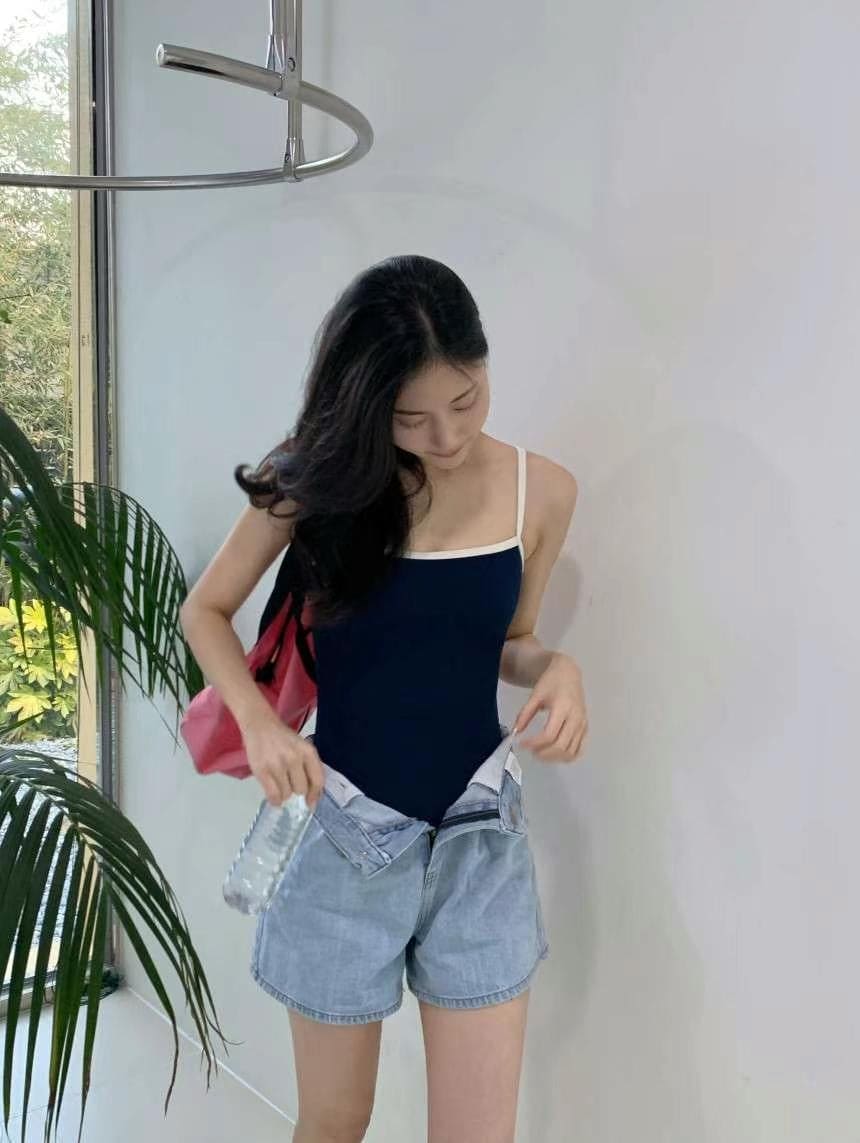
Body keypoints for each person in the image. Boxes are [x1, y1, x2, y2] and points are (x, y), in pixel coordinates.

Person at [179, 254, 589, 1143]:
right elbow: (203, 611)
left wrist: (557, 666)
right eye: (411, 418)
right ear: (367, 404)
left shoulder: (543, 490)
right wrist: (260, 726)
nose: (447, 436)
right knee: (336, 1120)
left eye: (467, 400)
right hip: (341, 834)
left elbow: (508, 642)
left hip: (480, 843)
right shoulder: (314, 482)